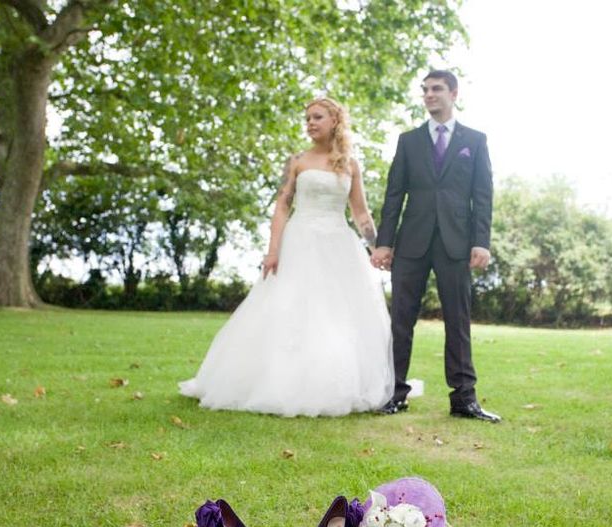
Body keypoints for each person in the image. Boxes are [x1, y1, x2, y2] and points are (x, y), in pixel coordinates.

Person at [179, 98, 393, 417]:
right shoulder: (296, 161)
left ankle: (333, 383)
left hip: (338, 245)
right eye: (307, 118)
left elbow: (360, 211)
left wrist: (375, 245)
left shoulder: (350, 164)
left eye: (317, 117)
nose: (310, 123)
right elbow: (282, 206)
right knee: (289, 308)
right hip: (300, 241)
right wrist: (273, 250)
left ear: (335, 121)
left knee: (336, 314)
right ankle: (275, 382)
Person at [370, 70, 501, 423]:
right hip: (411, 242)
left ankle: (464, 400)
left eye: (436, 89)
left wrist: (481, 242)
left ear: (453, 93)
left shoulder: (474, 141)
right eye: (425, 90)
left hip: (456, 243)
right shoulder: (408, 141)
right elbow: (394, 195)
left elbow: (482, 196)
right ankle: (394, 393)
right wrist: (384, 243)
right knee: (401, 320)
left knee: (458, 321)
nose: (429, 95)